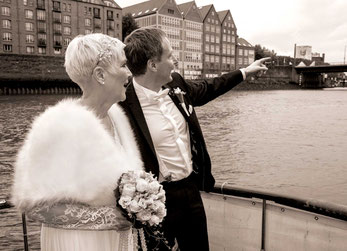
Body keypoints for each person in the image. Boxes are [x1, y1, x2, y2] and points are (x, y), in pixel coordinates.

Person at [120, 27, 270, 250]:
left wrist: (245, 72)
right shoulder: (122, 104)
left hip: (191, 191)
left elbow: (209, 87)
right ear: (152, 64)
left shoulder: (176, 83)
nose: (175, 61)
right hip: (154, 201)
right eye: (169, 56)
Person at [11, 33, 143, 251]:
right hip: (78, 242)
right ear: (100, 75)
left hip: (117, 240)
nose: (129, 73)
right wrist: (106, 219)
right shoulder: (59, 125)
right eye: (123, 65)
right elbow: (32, 204)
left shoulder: (117, 118)